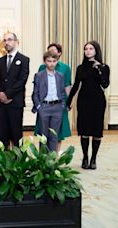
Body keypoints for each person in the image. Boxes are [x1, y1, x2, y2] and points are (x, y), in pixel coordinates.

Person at [67, 41, 110, 170]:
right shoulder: (81, 68)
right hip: (84, 101)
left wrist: (99, 70)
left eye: (91, 48)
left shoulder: (104, 67)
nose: (88, 51)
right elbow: (75, 86)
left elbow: (105, 84)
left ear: (96, 51)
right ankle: (85, 157)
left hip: (98, 102)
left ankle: (93, 159)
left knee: (96, 130)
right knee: (84, 130)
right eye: (86, 49)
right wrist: (69, 101)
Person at [0, 32, 30, 148]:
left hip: (15, 102)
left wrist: (8, 95)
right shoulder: (0, 61)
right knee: (2, 135)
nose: (7, 43)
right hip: (1, 104)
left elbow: (22, 80)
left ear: (16, 42)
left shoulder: (24, 59)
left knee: (16, 134)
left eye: (9, 40)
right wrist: (1, 95)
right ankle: (3, 162)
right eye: (4, 40)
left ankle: (17, 163)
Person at [36, 43, 72, 152]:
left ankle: (54, 157)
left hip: (59, 104)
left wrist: (68, 102)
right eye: (49, 51)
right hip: (44, 104)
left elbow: (67, 85)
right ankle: (42, 158)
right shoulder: (42, 68)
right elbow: (38, 88)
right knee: (43, 132)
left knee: (57, 132)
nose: (51, 53)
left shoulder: (65, 68)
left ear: (59, 53)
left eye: (53, 51)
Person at [32, 51, 66, 151]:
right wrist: (39, 106)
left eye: (54, 61)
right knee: (43, 135)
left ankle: (51, 161)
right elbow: (35, 93)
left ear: (57, 61)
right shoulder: (39, 75)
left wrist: (62, 105)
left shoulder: (60, 76)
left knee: (54, 135)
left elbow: (62, 92)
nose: (51, 63)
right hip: (44, 107)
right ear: (45, 62)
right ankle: (43, 160)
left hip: (57, 107)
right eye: (49, 61)